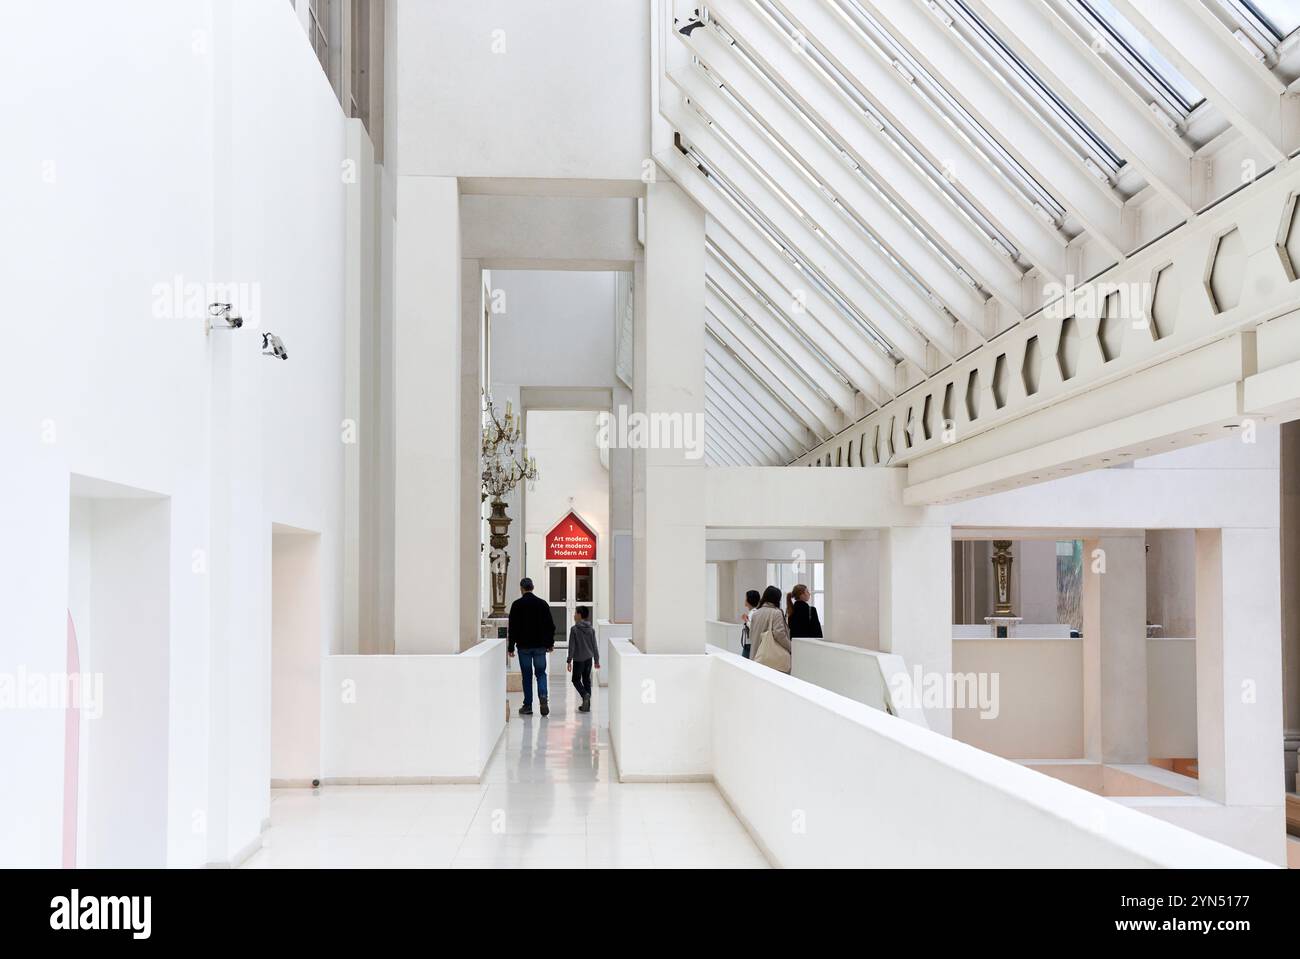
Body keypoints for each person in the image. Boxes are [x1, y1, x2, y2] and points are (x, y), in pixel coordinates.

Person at [507, 577, 555, 716]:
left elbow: (513, 628)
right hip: (540, 647)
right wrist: (550, 643)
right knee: (541, 673)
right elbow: (550, 626)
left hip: (524, 647)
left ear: (522, 588)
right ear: (532, 587)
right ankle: (543, 696)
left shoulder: (517, 605)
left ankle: (528, 705)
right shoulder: (542, 604)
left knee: (527, 676)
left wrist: (511, 647)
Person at [747, 585, 791, 672]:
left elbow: (751, 634)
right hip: (769, 658)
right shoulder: (776, 613)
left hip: (755, 655)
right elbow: (779, 634)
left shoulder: (756, 613)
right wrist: (790, 647)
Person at [566, 605, 600, 713]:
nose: (574, 615)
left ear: (580, 615)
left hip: (578, 660)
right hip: (588, 659)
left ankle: (585, 695)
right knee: (586, 680)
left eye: (575, 613)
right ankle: (587, 705)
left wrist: (569, 660)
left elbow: (572, 647)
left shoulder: (574, 629)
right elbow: (595, 646)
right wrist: (597, 660)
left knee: (575, 679)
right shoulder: (591, 629)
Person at [738, 589, 761, 658]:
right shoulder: (755, 612)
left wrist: (746, 620)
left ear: (749, 600)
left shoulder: (753, 613)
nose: (745, 600)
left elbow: (753, 627)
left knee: (744, 663)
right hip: (751, 644)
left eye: (746, 598)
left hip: (750, 645)